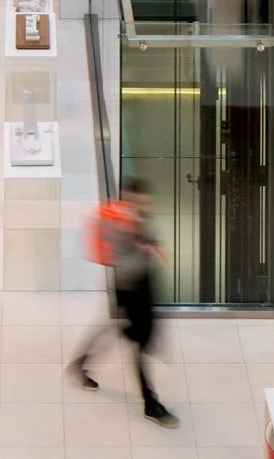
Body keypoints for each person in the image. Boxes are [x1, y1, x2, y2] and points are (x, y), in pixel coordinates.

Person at [70, 180, 178, 427]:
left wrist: (149, 244)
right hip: (130, 287)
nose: (145, 205)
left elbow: (143, 239)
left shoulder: (134, 218)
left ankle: (80, 363)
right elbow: (119, 257)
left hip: (142, 285)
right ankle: (149, 402)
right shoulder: (119, 222)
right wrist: (140, 244)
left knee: (120, 330)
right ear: (129, 198)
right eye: (140, 200)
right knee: (137, 341)